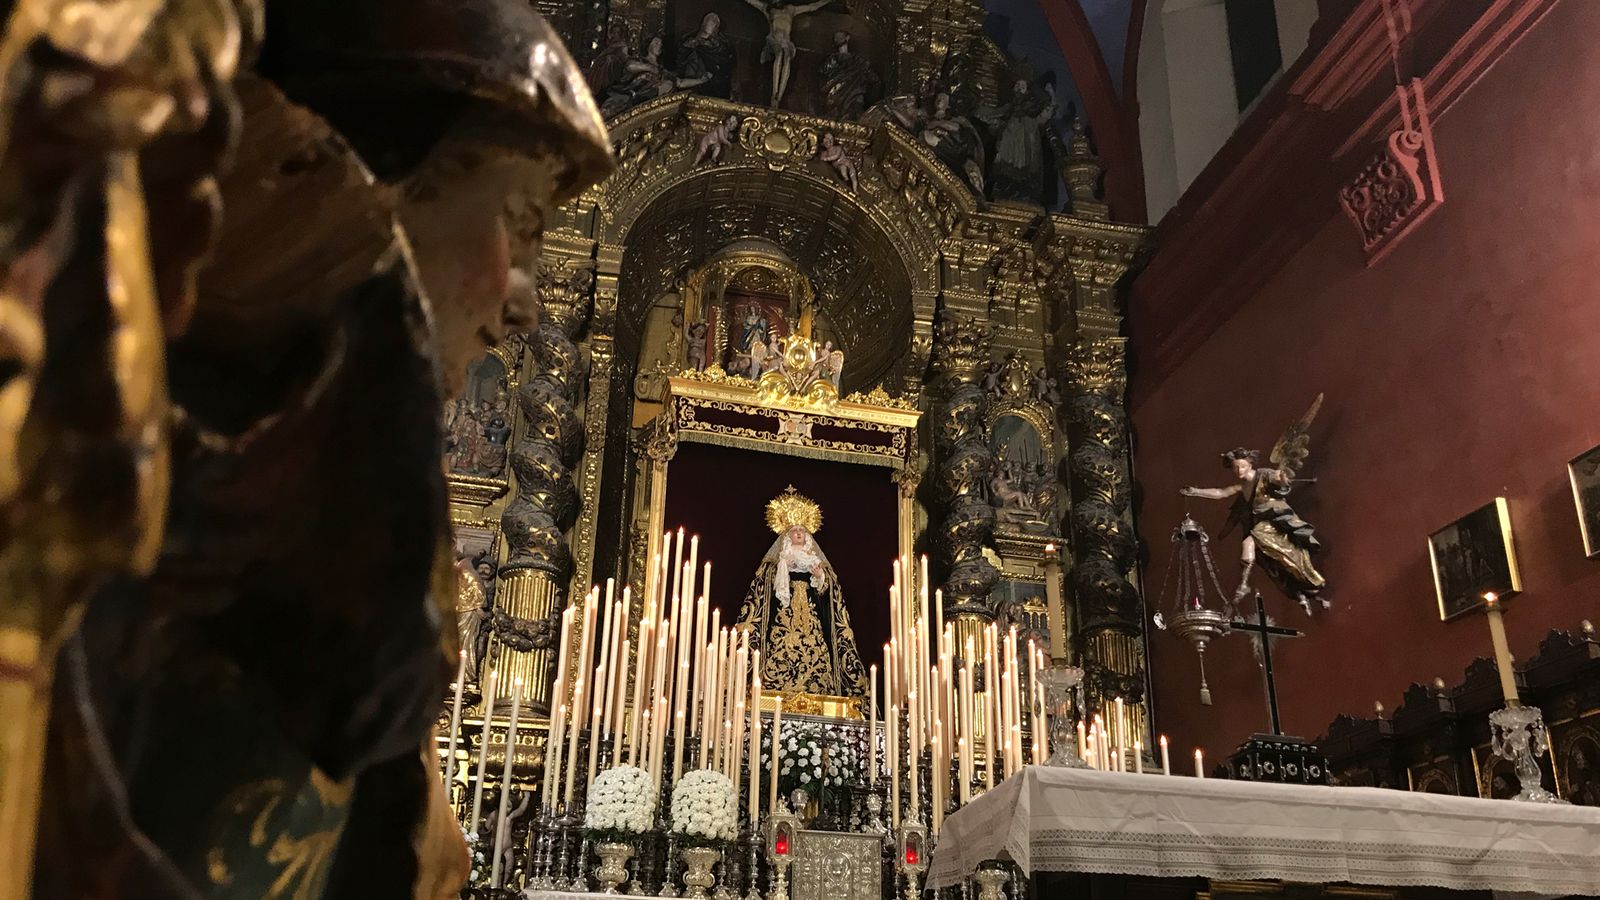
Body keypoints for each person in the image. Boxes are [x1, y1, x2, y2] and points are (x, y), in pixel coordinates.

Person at [737, 487, 868, 697]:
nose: (798, 533)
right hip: (785, 611)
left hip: (810, 611)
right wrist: (783, 568)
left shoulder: (814, 558)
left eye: (802, 531)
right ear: (787, 536)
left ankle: (820, 686)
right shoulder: (778, 560)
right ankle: (776, 684)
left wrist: (819, 577)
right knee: (782, 643)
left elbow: (829, 593)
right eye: (794, 531)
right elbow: (765, 590)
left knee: (815, 644)